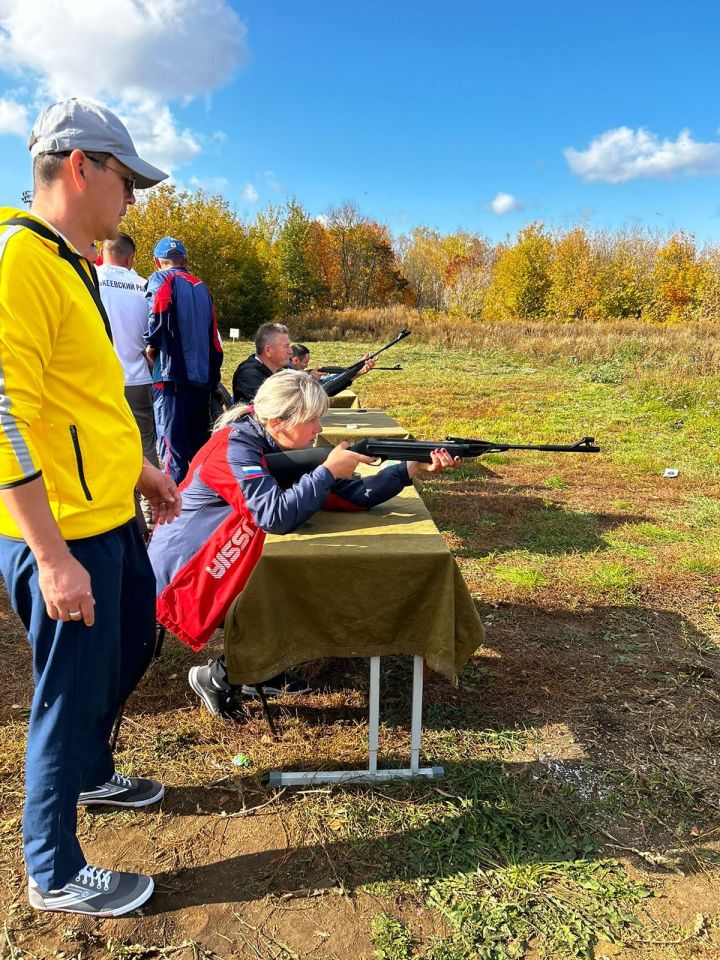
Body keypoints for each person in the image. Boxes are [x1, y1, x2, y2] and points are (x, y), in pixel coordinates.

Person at [0, 98, 181, 918]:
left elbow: (83, 401)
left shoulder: (67, 261)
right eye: (127, 178)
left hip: (107, 512)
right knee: (67, 689)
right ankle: (53, 867)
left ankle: (91, 770)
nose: (134, 200)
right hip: (61, 532)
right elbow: (5, 415)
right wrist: (50, 555)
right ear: (81, 166)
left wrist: (142, 470)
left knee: (136, 637)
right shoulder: (18, 260)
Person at [147, 370, 459, 718]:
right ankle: (221, 677)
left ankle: (258, 669)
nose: (319, 430)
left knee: (297, 585)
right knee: (292, 598)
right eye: (312, 420)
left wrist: (409, 468)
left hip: (225, 558)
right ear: (278, 421)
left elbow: (353, 496)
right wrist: (325, 473)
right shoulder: (229, 450)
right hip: (187, 574)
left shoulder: (274, 442)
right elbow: (275, 516)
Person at [145, 237, 223, 485]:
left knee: (171, 451)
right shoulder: (202, 288)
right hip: (201, 382)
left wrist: (151, 344)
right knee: (198, 452)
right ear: (185, 261)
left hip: (171, 377)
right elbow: (215, 340)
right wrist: (213, 379)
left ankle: (172, 517)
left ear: (158, 262)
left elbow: (157, 314)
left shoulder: (161, 279)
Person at [98, 233, 159, 527]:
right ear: (130, 258)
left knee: (104, 450)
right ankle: (153, 514)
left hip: (98, 382)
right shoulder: (144, 285)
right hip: (137, 379)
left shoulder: (87, 279)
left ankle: (122, 515)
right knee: (144, 446)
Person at [232, 322, 292, 402]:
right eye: (286, 346)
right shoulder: (249, 377)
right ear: (268, 350)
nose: (290, 351)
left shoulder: (281, 370)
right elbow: (264, 410)